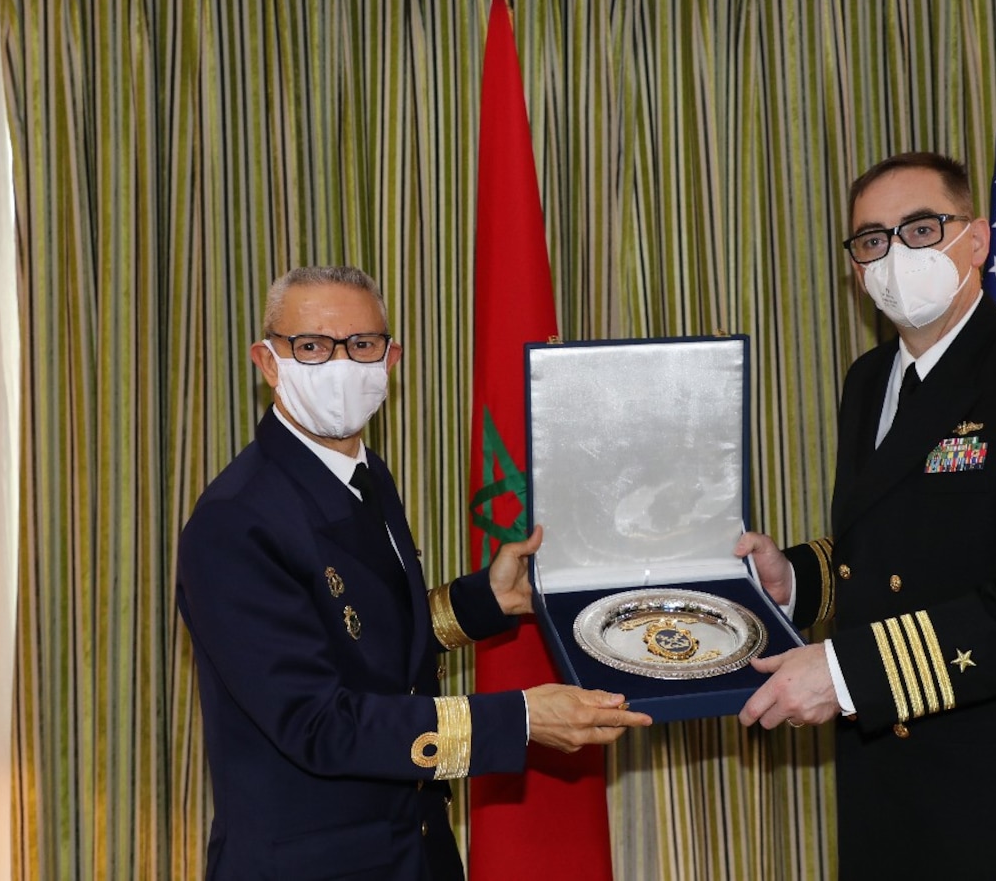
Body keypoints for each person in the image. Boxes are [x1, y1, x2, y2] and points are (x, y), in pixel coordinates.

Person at [176, 265, 650, 880]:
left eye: (362, 345)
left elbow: (362, 641)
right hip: (310, 864)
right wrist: (521, 718)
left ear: (390, 359)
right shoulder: (236, 522)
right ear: (268, 362)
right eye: (313, 347)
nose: (341, 366)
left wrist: (485, 601)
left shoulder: (365, 474)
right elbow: (317, 723)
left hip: (414, 847)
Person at [736, 153, 996, 879]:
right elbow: (898, 546)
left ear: (976, 240)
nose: (895, 256)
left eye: (921, 228)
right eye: (872, 240)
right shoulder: (868, 382)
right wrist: (794, 577)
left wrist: (848, 671)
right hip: (888, 798)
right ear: (856, 266)